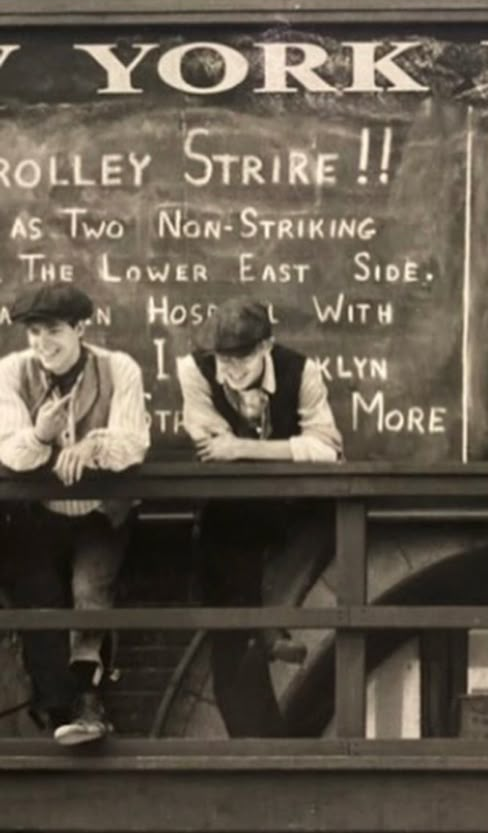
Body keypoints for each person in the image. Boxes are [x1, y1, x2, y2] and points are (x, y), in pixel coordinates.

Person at [176, 297, 342, 736]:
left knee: (325, 527)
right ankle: (267, 645)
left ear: (267, 344)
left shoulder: (302, 371)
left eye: (242, 358)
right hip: (230, 514)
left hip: (292, 512)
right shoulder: (192, 370)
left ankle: (272, 624)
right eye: (222, 359)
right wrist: (277, 451)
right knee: (231, 636)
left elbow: (327, 449)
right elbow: (210, 443)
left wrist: (244, 448)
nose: (230, 371)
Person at [0, 282, 150, 745]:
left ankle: (89, 701)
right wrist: (42, 436)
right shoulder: (9, 372)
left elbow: (134, 443)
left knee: (91, 588)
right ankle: (56, 708)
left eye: (54, 333)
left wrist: (93, 446)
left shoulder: (118, 367)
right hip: (38, 513)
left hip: (100, 511)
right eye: (33, 335)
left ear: (81, 328)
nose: (43, 346)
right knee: (40, 600)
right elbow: (9, 452)